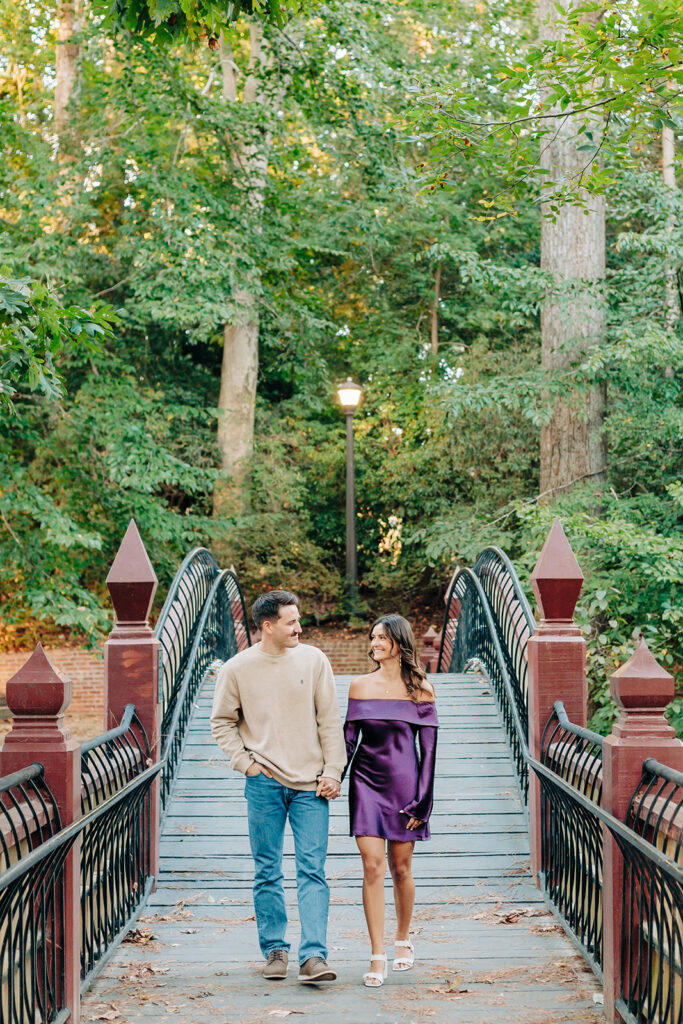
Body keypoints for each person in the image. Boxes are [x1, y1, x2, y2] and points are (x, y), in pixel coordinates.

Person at [210, 589, 346, 984]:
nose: (298, 627)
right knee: (267, 870)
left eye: (298, 619)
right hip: (264, 783)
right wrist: (246, 764)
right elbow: (222, 722)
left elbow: (329, 719)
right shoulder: (236, 669)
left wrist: (334, 770)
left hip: (311, 786)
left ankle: (314, 958)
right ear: (267, 627)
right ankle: (274, 951)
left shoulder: (314, 659)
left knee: (312, 871)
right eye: (290, 621)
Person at [343, 613, 438, 987]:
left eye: (382, 637)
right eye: (372, 638)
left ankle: (402, 939)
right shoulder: (358, 686)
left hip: (405, 786)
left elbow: (428, 753)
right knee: (371, 867)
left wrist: (423, 802)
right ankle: (376, 952)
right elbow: (349, 742)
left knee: (400, 868)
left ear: (399, 642)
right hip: (365, 783)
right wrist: (331, 775)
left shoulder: (421, 691)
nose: (375, 643)